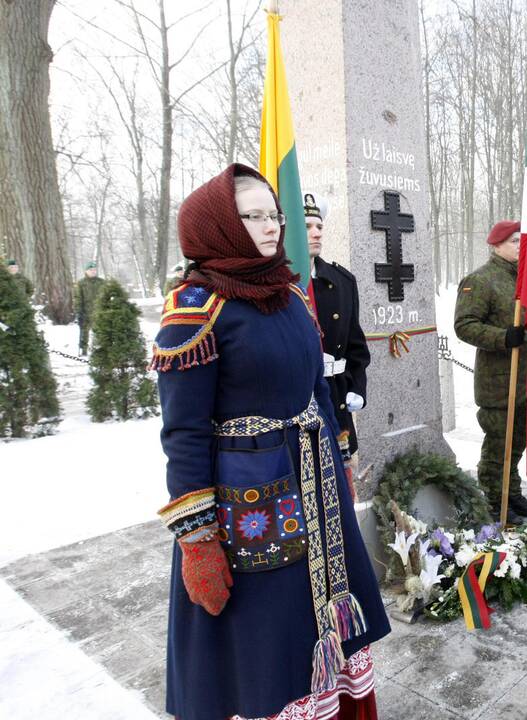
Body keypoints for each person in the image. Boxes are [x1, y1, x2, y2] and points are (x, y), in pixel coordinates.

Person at [151, 164, 389, 720]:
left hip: (318, 487)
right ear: (217, 224)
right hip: (250, 503)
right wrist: (197, 541)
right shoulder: (196, 308)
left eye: (273, 214)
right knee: (269, 639)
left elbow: (315, 388)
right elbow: (182, 432)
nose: (270, 225)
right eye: (252, 215)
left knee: (324, 617)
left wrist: (336, 453)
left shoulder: (286, 292)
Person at [454, 220, 527, 524]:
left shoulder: (524, 280)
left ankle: (511, 492)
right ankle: (493, 499)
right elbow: (464, 325)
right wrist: (502, 337)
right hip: (499, 381)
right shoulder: (480, 280)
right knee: (499, 443)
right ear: (496, 244)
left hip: (525, 378)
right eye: (514, 241)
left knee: (517, 442)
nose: (519, 246)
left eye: (521, 241)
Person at [304, 192, 372, 468]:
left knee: (342, 489)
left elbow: (356, 346)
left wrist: (358, 387)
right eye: (307, 226)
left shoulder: (342, 281)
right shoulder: (276, 285)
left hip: (336, 400)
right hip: (301, 407)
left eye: (319, 226)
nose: (316, 233)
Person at [74, 261, 105, 356]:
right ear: (86, 271)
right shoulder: (81, 283)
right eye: (91, 270)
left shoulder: (101, 282)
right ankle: (83, 350)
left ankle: (100, 350)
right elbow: (77, 298)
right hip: (85, 312)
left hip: (99, 312)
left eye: (94, 270)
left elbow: (106, 295)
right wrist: (78, 312)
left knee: (100, 332)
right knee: (84, 332)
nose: (93, 271)